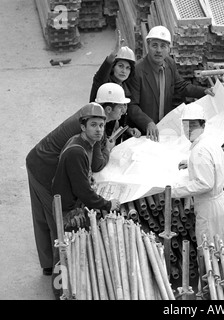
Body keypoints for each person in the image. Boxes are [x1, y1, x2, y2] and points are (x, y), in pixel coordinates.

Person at [25, 82, 127, 276]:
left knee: (44, 218)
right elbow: (97, 165)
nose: (123, 111)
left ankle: (48, 264)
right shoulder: (95, 126)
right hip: (45, 169)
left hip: (37, 158)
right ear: (108, 108)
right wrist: (107, 147)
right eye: (121, 106)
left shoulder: (90, 116)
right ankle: (59, 274)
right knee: (57, 222)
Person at [126, 25, 215, 142]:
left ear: (169, 49)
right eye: (154, 45)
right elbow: (132, 105)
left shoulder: (169, 64)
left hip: (165, 129)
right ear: (148, 46)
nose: (158, 50)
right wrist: (147, 122)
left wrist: (203, 91)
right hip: (143, 132)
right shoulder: (137, 70)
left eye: (163, 46)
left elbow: (181, 86)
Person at [171, 103, 224, 247]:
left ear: (203, 125)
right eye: (186, 125)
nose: (189, 129)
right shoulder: (210, 142)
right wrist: (192, 163)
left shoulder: (200, 150)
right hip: (221, 204)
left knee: (209, 253)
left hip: (210, 209)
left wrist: (173, 191)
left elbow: (205, 184)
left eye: (193, 125)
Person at [52, 103, 120, 232]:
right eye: (93, 125)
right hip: (68, 213)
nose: (99, 130)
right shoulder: (77, 152)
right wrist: (108, 204)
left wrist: (87, 177)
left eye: (101, 125)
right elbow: (83, 191)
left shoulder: (83, 142)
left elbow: (79, 173)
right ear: (83, 127)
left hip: (69, 203)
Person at [89, 30, 141, 144]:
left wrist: (129, 130)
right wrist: (113, 55)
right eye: (120, 66)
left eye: (128, 68)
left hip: (111, 142)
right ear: (113, 67)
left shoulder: (126, 91)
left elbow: (120, 120)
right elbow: (100, 77)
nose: (124, 71)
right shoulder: (103, 86)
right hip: (96, 137)